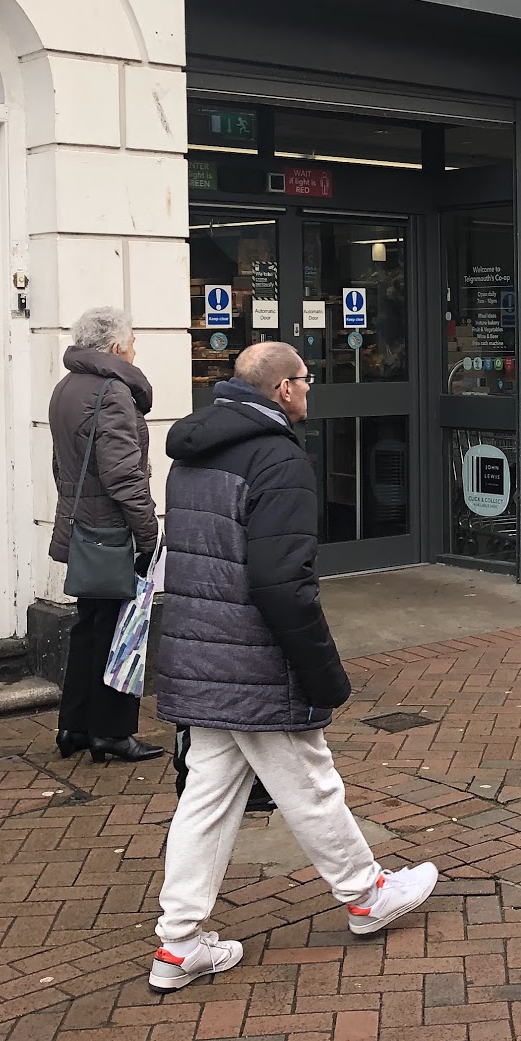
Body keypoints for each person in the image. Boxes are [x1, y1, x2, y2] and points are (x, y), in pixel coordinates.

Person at [150, 340, 436, 993]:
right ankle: (365, 893)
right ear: (282, 390)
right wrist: (322, 672)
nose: (311, 391)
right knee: (309, 782)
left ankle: (179, 944)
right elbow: (283, 581)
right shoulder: (279, 460)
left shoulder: (193, 453)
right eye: (305, 381)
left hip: (202, 652)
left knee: (207, 798)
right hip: (255, 658)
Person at [48, 307, 164, 766]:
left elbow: (63, 465)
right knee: (120, 632)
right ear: (116, 348)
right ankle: (111, 733)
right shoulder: (112, 391)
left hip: (81, 525)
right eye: (132, 342)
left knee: (89, 627)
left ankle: (73, 726)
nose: (135, 350)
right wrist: (149, 531)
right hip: (111, 529)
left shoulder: (66, 387)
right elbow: (123, 475)